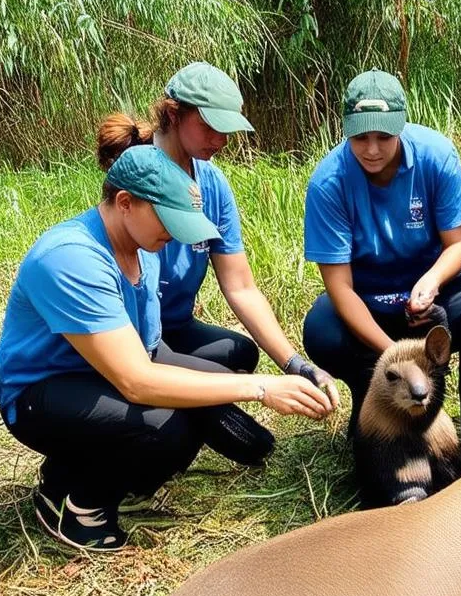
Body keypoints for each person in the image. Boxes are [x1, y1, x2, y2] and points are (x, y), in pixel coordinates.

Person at [0, 143, 333, 553]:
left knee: (207, 397)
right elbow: (138, 381)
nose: (171, 235)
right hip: (42, 391)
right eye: (167, 221)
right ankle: (78, 505)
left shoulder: (142, 248)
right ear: (125, 203)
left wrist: (233, 390)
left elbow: (151, 350)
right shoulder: (71, 259)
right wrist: (261, 388)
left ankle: (68, 470)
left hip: (104, 371)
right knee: (166, 426)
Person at [302, 69, 461, 464]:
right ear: (345, 131)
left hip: (434, 299)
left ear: (401, 127)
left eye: (384, 137)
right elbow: (340, 287)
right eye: (360, 137)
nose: (372, 149)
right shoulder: (330, 182)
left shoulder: (435, 156)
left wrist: (432, 279)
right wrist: (396, 358)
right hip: (369, 301)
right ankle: (371, 401)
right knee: (321, 331)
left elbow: (458, 244)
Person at [136, 61, 339, 408]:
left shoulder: (213, 185)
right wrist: (259, 389)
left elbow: (241, 287)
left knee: (240, 354)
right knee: (241, 440)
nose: (220, 140)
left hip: (175, 326)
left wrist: (295, 366)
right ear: (173, 115)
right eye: (209, 127)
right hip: (132, 333)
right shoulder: (135, 175)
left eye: (226, 130)